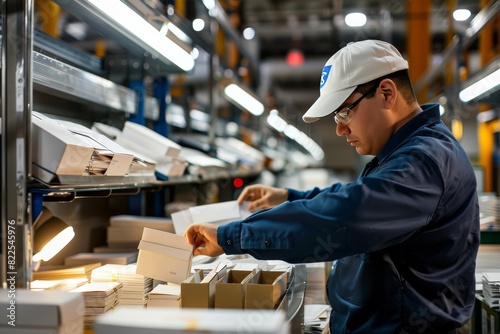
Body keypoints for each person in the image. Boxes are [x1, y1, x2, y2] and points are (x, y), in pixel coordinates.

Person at [185, 39, 479, 333]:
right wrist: (289, 196)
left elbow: (348, 215)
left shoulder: (423, 161)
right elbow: (357, 198)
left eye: (343, 112)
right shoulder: (405, 153)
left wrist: (231, 236)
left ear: (387, 94)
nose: (339, 129)